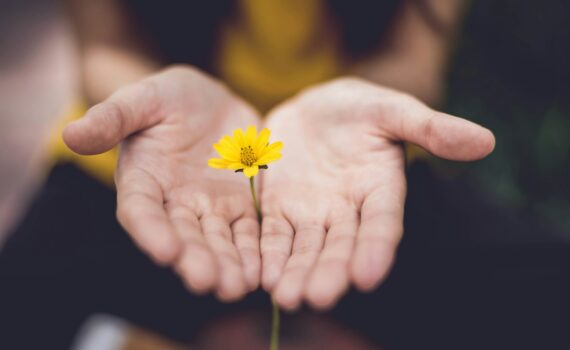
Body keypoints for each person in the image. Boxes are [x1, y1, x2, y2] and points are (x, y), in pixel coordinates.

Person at [6, 1, 566, 349]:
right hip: (153, 171)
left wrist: (370, 99)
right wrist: (141, 103)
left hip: (347, 174)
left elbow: (412, 60)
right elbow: (105, 46)